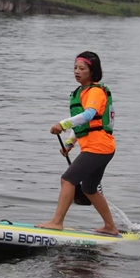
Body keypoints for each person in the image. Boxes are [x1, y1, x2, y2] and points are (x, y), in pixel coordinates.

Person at [35, 51, 118, 235]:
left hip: (99, 148)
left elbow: (88, 115)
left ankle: (57, 222)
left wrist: (62, 124)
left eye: (82, 68)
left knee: (67, 180)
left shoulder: (95, 91)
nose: (76, 71)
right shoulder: (82, 92)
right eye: (75, 68)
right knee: (88, 189)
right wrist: (70, 143)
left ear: (92, 71)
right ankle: (110, 227)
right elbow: (83, 122)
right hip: (100, 148)